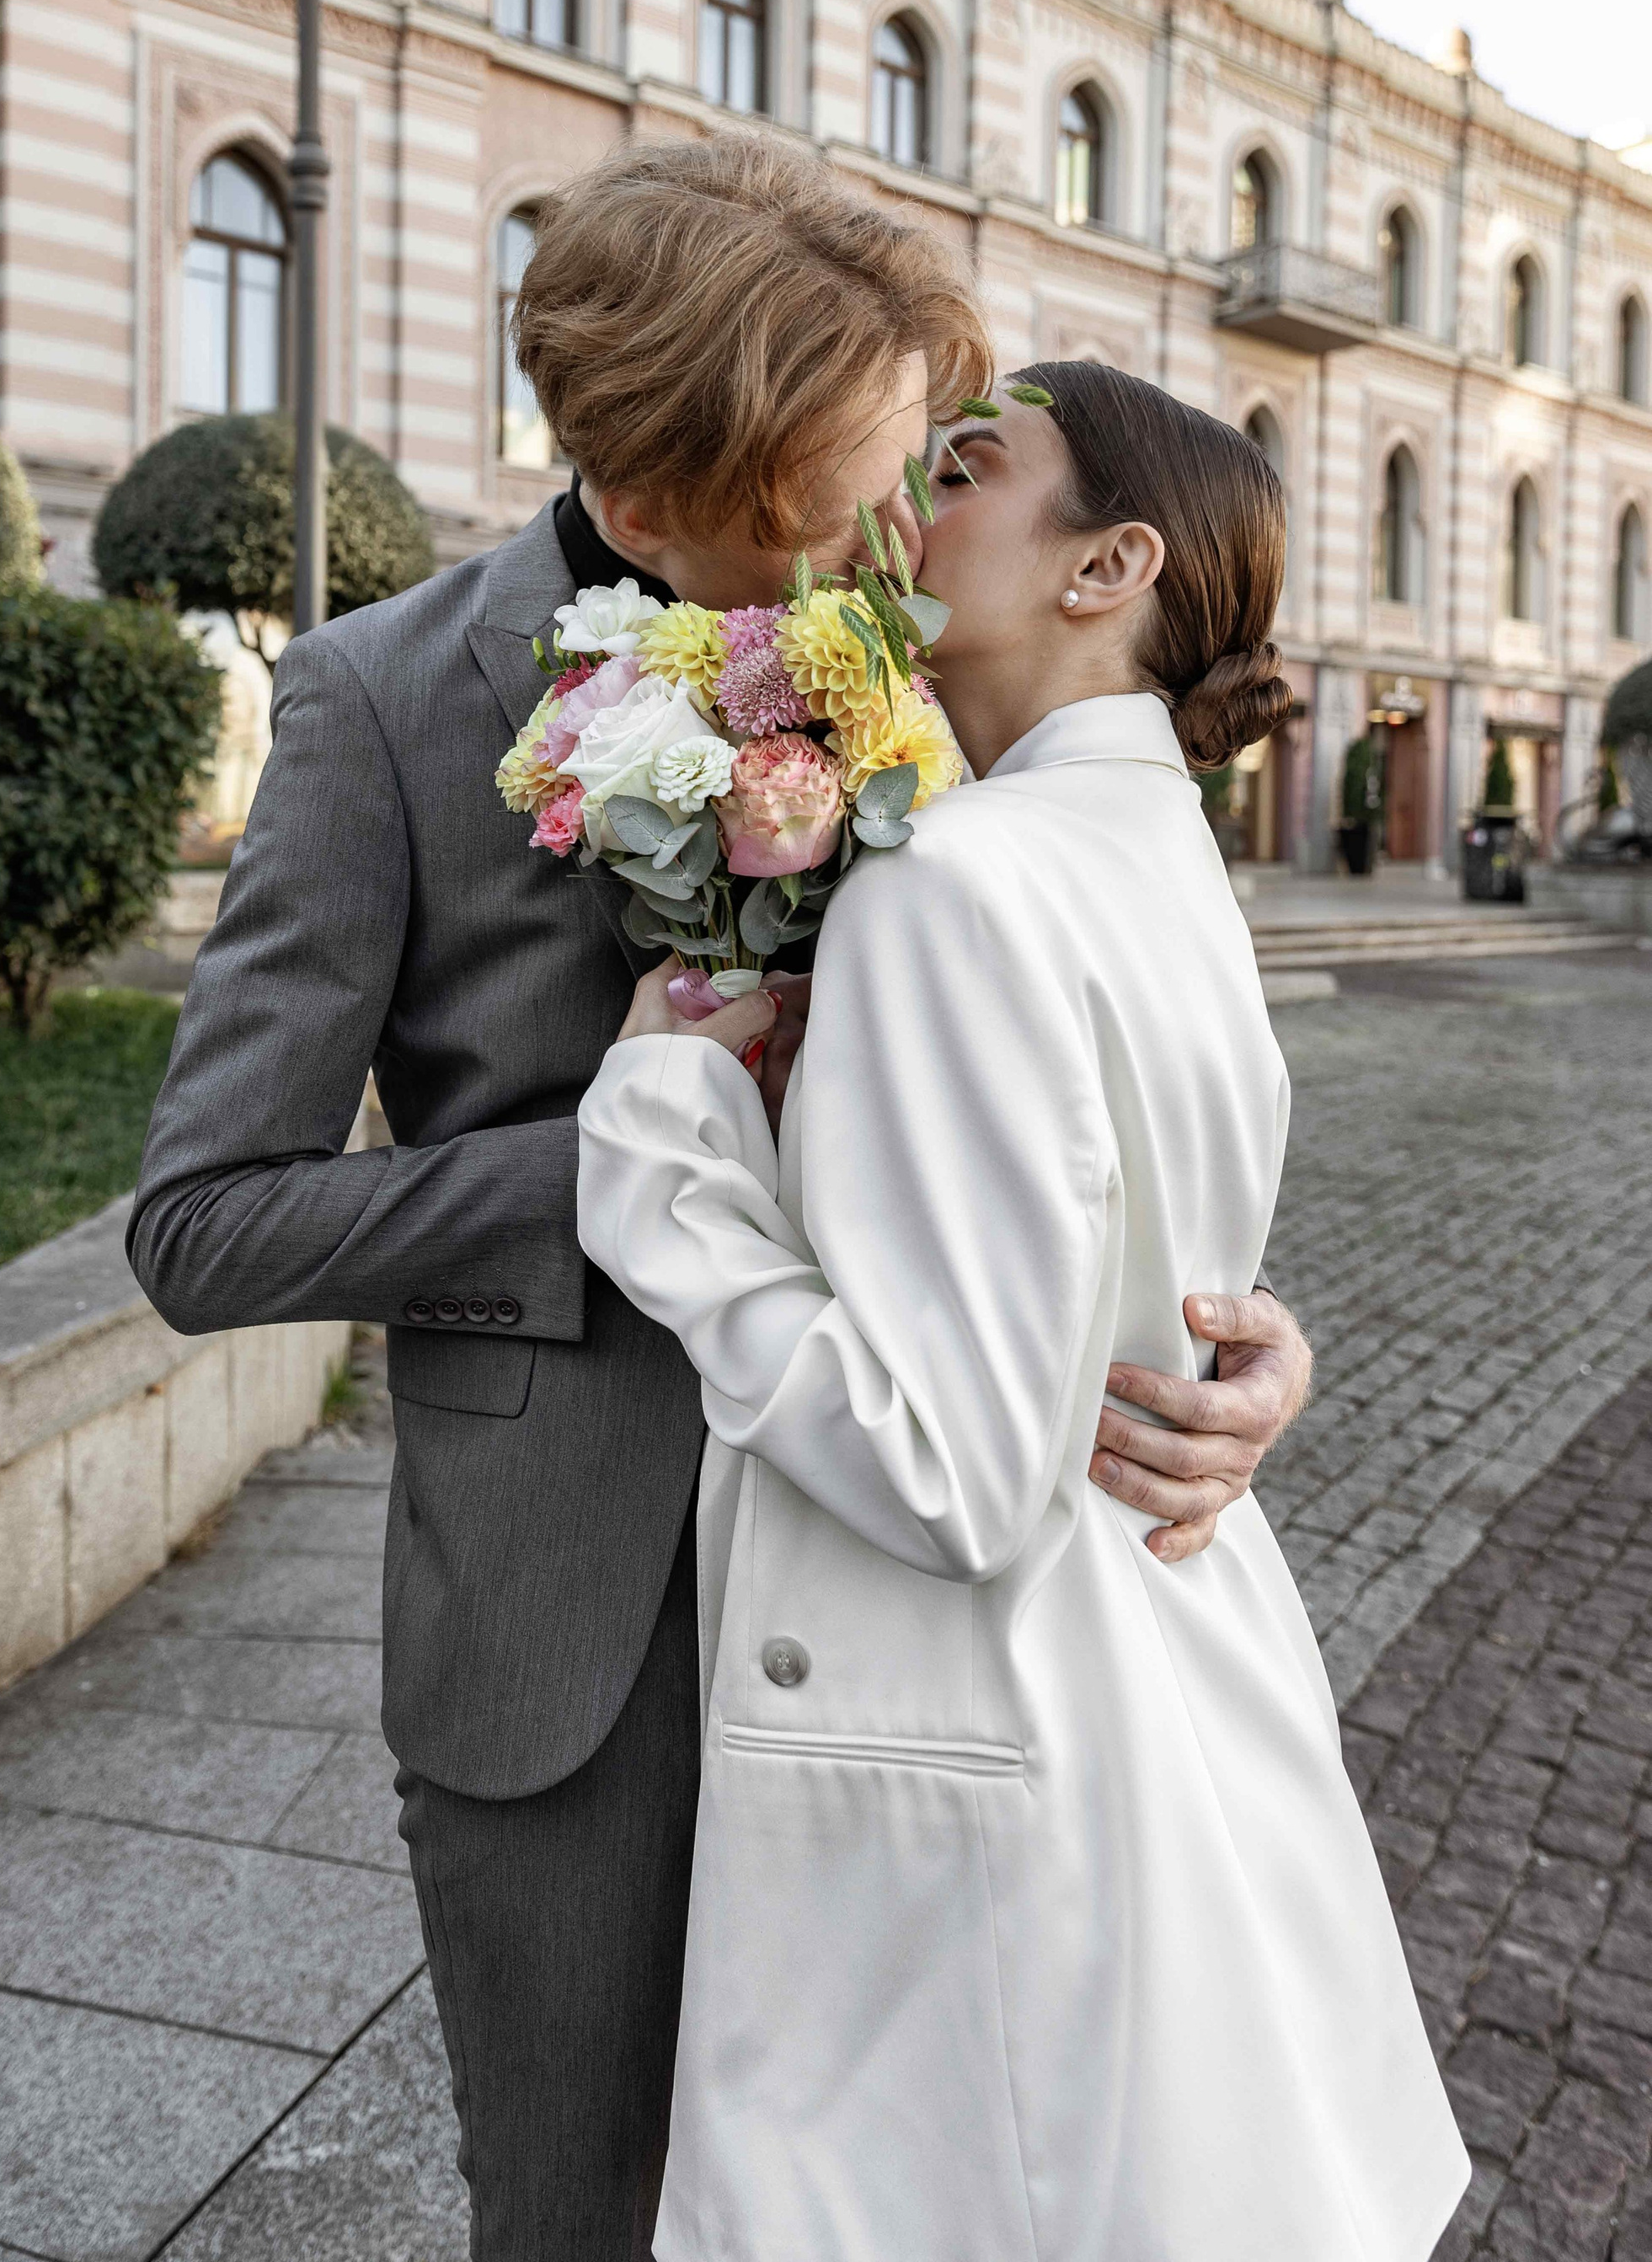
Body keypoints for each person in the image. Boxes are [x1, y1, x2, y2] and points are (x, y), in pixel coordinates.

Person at [128, 146, 1317, 2259]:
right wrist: (621, 1148)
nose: (888, 524)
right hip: (578, 1647)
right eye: (849, 472)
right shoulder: (381, 702)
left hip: (922, 1631)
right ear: (664, 475)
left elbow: (1064, 1068)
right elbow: (202, 1223)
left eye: (922, 462)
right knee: (581, 2219)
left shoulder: (927, 670)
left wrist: (1227, 1333)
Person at [576, 360, 1468, 2260]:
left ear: (1107, 566)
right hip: (1163, 1667)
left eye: (968, 467)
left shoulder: (958, 879)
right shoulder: (1161, 863)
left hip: (988, 1725)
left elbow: (943, 1468)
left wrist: (662, 1134)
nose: (910, 500)